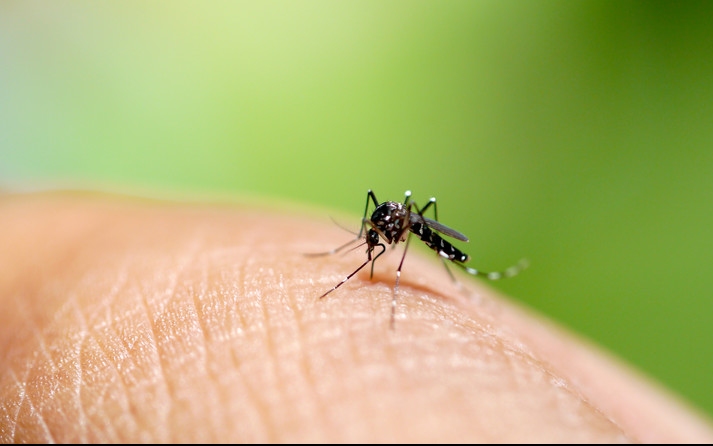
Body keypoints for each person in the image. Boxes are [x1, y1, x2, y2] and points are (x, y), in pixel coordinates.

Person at [1, 191, 712, 443]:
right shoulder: (378, 220)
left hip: (431, 247)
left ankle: (445, 276)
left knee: (420, 224)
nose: (378, 237)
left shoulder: (404, 228)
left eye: (375, 237)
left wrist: (397, 262)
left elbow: (403, 223)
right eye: (374, 238)